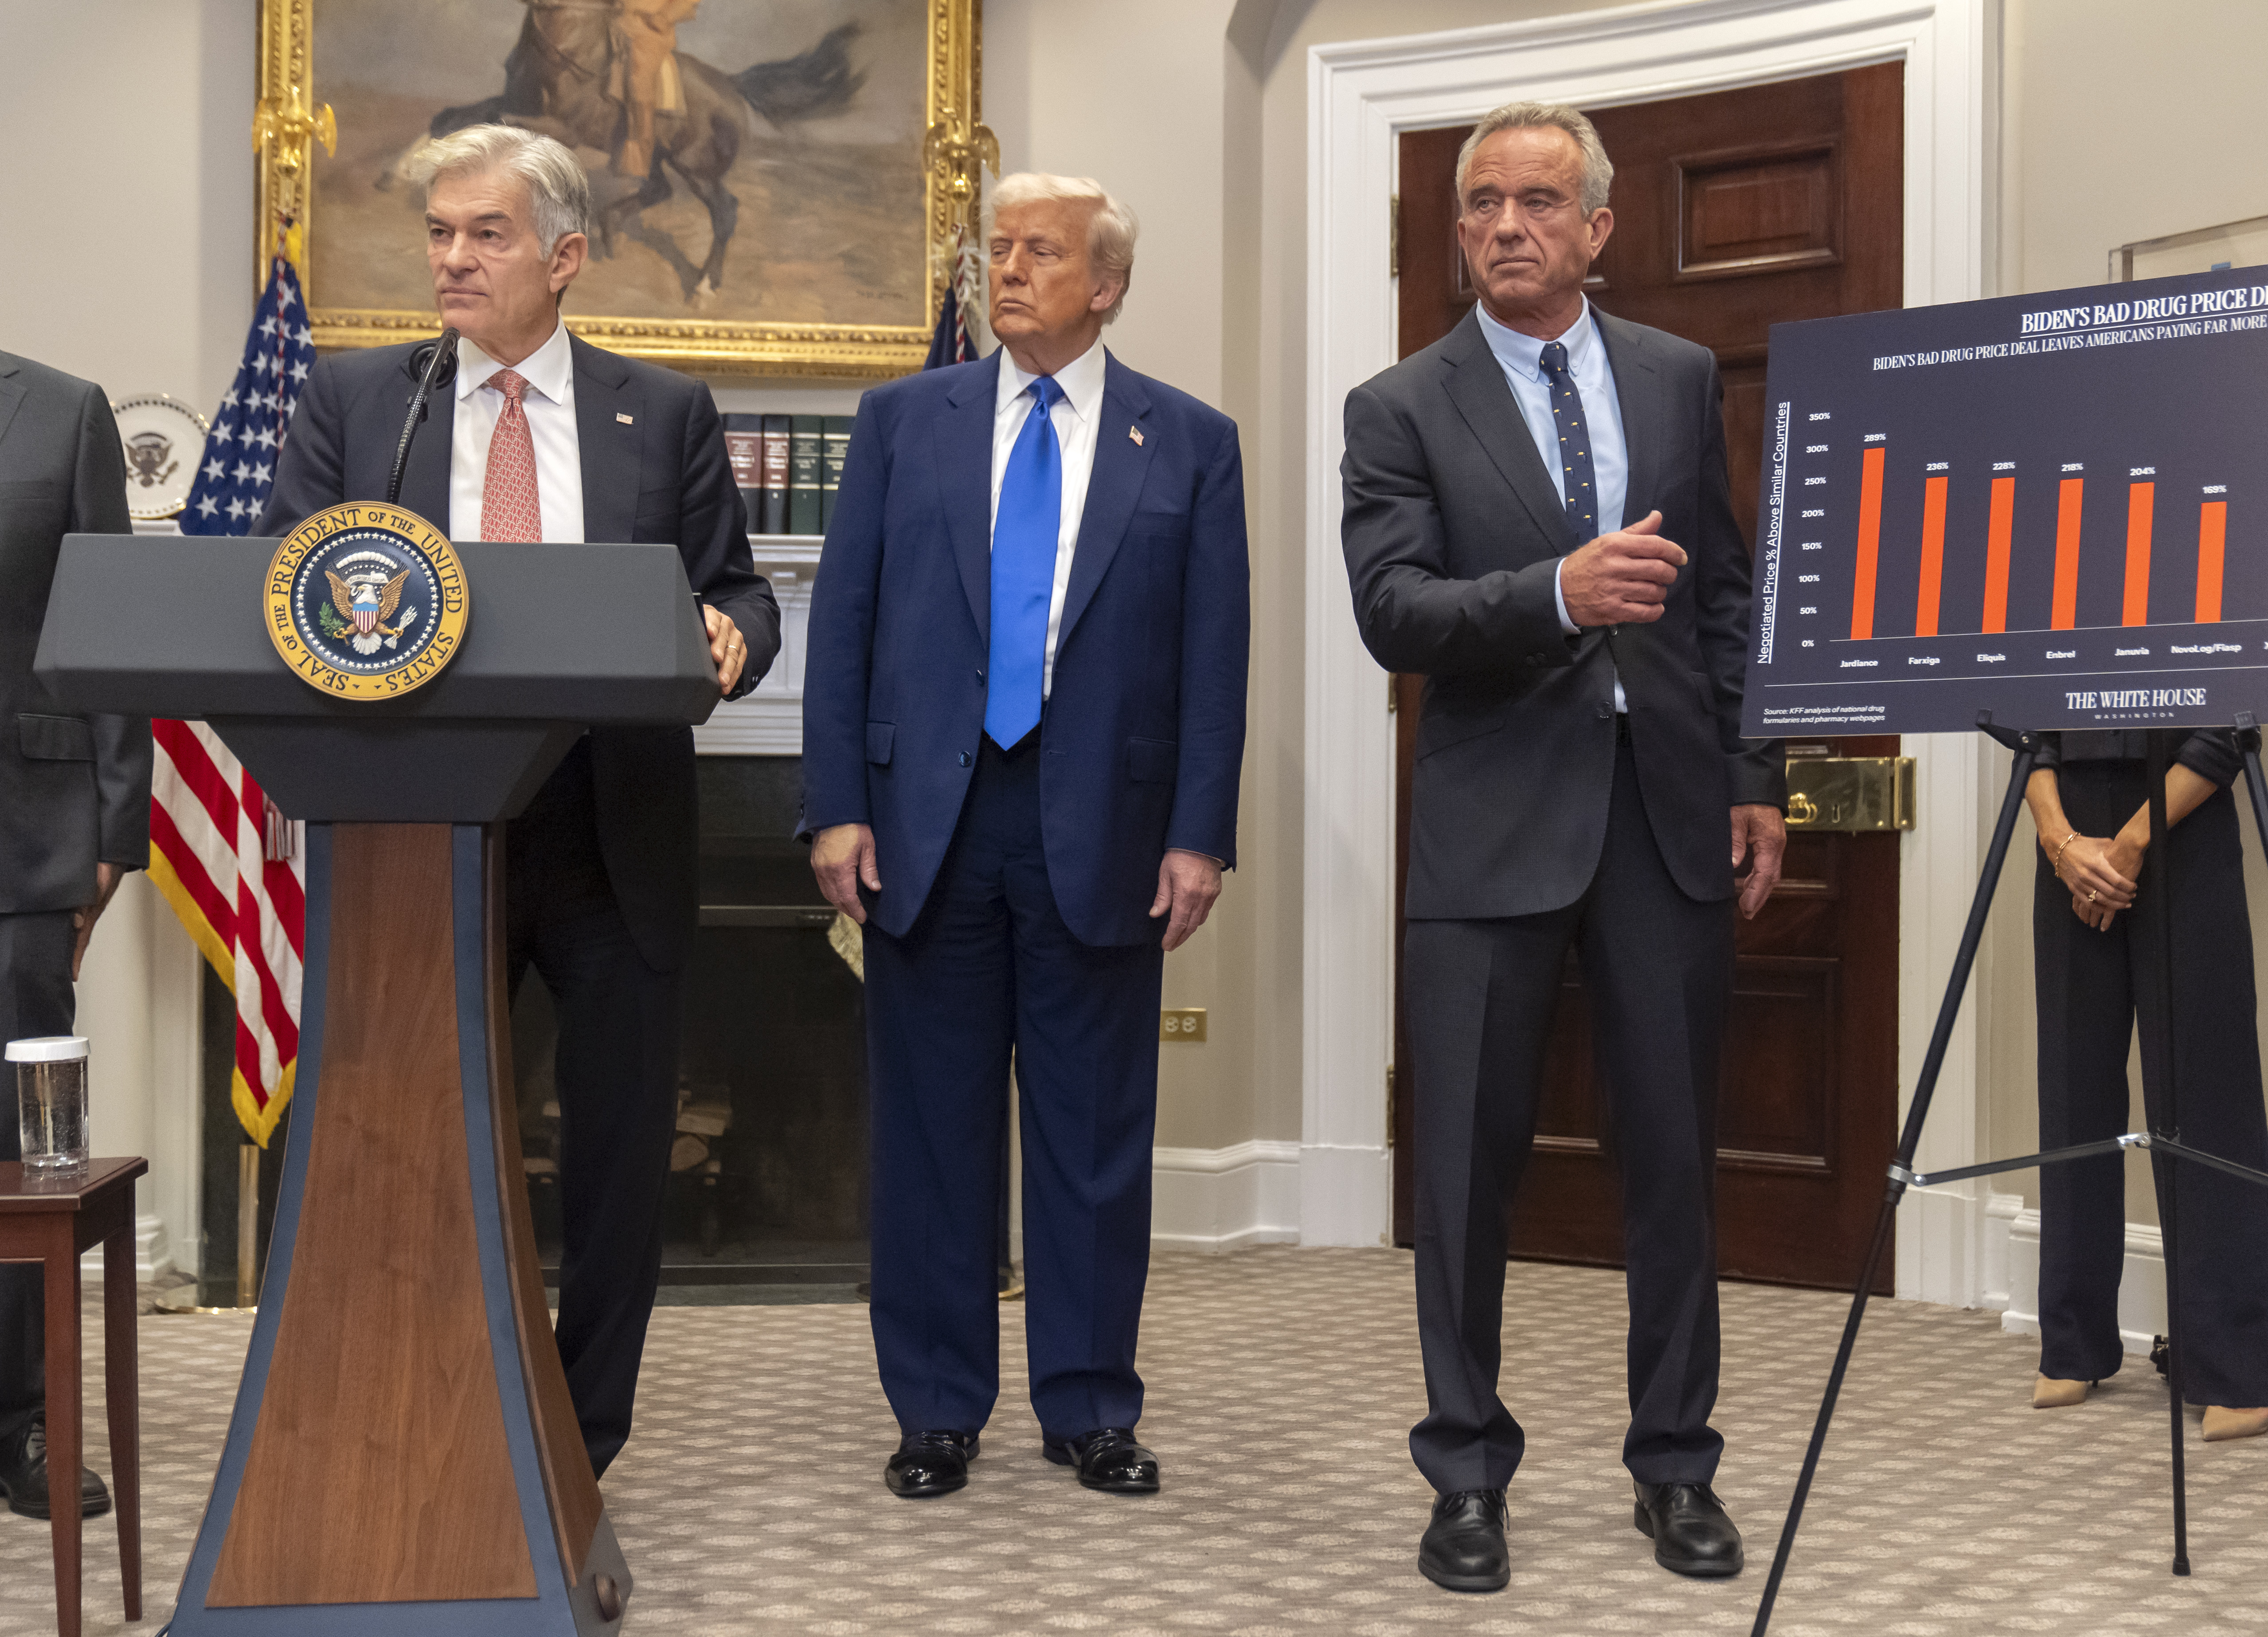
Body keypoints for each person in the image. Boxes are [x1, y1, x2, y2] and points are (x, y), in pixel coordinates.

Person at [257, 123, 778, 1475]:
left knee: (615, 1169)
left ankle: (578, 1445)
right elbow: (285, 592)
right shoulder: (361, 403)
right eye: (437, 232)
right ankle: (432, 1416)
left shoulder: (660, 412)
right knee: (416, 1149)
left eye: (484, 234)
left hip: (609, 832)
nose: (451, 257)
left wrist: (732, 639)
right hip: (420, 835)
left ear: (564, 256)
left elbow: (736, 592)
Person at [1340, 102, 1786, 1593]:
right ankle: (1462, 1471)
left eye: (1536, 200)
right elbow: (1391, 614)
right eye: (1479, 202)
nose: (1504, 225)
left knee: (1672, 1163)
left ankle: (1675, 1467)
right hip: (1485, 831)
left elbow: (1720, 591)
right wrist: (1554, 590)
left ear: (1594, 229)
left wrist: (1750, 773)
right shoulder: (1397, 404)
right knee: (1463, 1172)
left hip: (1663, 815)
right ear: (1454, 226)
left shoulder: (1670, 377)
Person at [802, 172, 1248, 1502]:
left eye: (1038, 251)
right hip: (928, 822)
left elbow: (1212, 659)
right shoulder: (901, 422)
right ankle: (936, 1407)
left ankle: (1090, 1403)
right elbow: (846, 625)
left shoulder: (1190, 440)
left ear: (1105, 282)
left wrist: (1199, 836)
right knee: (932, 1134)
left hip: (1104, 826)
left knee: (1094, 1135)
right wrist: (833, 801)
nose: (1005, 271)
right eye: (993, 249)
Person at [2026, 732, 2268, 1441]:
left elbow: (2234, 714)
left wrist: (2132, 841)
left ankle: (2231, 1360)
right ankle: (2072, 1340)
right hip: (2069, 829)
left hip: (2185, 815)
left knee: (2207, 1093)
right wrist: (2059, 839)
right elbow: (2021, 721)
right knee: (2072, 1087)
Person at [0, 350, 149, 1519]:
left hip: (24, 835)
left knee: (24, 1148)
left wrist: (116, 822)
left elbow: (109, 630)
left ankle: (20, 1420)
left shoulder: (62, 415)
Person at [613, 0, 702, 179]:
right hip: (617, 21)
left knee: (640, 86)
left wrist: (662, 18)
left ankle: (639, 159)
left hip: (650, 33)